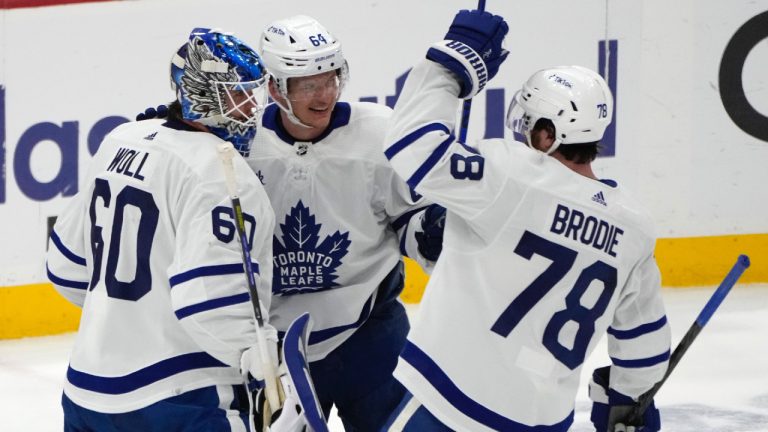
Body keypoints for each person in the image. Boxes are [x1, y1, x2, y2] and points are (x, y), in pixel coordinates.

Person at [381, 9, 672, 432]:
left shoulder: (514, 175)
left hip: (451, 403)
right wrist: (629, 402)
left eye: (529, 122)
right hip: (543, 420)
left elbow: (412, 145)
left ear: (548, 135)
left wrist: (449, 66)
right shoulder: (633, 226)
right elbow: (644, 344)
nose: (522, 132)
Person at [47, 28, 278, 431]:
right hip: (181, 399)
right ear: (202, 95)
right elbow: (211, 306)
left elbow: (64, 267)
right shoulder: (221, 173)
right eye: (235, 95)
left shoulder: (121, 138)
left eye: (251, 94)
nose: (249, 108)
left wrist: (131, 319)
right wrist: (263, 364)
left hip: (85, 393)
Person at [253, 15, 445, 431]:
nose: (324, 95)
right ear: (273, 88)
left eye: (332, 79)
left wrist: (435, 231)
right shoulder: (242, 146)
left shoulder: (379, 131)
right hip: (281, 349)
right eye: (307, 85)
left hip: (373, 335)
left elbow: (409, 216)